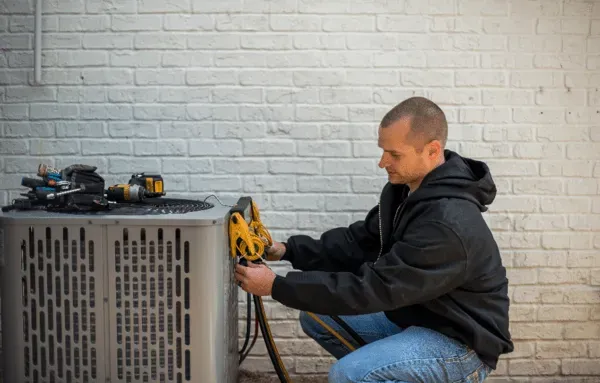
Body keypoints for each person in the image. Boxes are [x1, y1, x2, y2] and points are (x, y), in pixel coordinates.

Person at [235, 96, 514, 383]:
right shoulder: (406, 193)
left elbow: (374, 288)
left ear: (432, 151)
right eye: (383, 151)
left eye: (394, 155)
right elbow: (358, 242)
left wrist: (276, 285)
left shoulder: (447, 224)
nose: (383, 162)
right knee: (317, 317)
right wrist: (286, 251)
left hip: (460, 344)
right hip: (419, 320)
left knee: (348, 374)